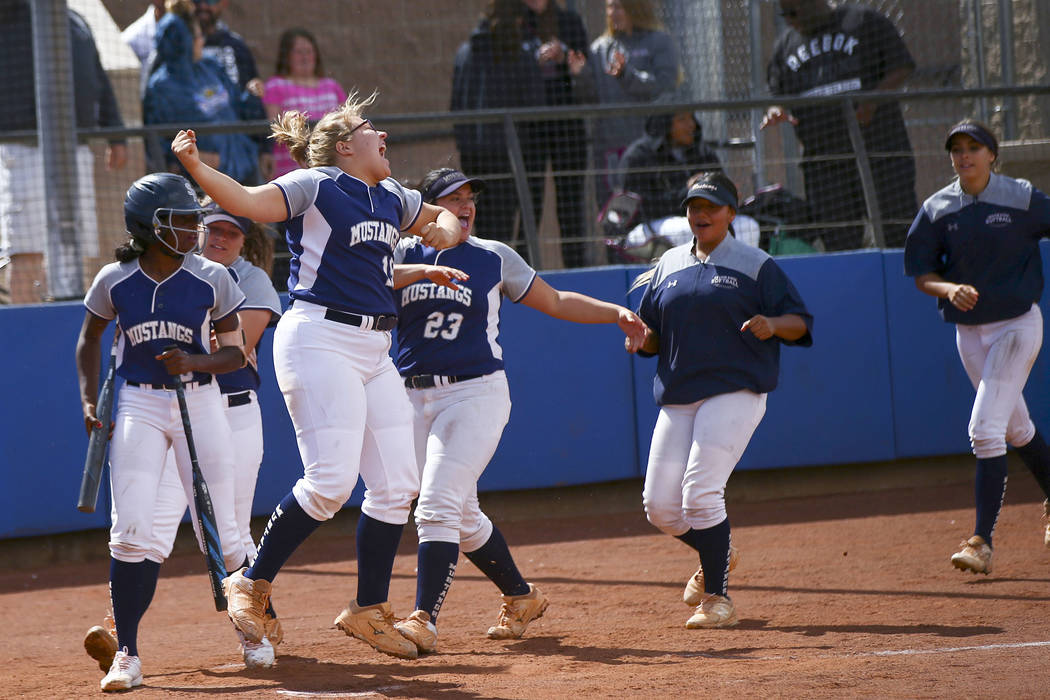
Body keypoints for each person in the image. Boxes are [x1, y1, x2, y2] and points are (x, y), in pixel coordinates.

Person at [170, 90, 464, 661]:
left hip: (375, 347)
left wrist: (444, 230)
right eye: (370, 129)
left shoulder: (392, 196)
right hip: (318, 338)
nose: (382, 136)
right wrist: (196, 166)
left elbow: (444, 217)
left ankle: (368, 610)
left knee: (398, 483)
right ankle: (250, 583)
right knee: (330, 482)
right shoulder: (319, 183)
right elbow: (252, 203)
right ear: (347, 146)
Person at [386, 167, 646, 653]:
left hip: (475, 394)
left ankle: (424, 619)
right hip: (410, 397)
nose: (464, 206)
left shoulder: (491, 255)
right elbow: (364, 282)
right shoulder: (402, 254)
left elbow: (555, 299)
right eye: (451, 199)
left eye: (469, 197)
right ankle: (520, 596)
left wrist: (615, 312)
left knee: (436, 506)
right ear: (426, 210)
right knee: (461, 513)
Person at [83, 204, 284, 673]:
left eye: (212, 226)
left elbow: (236, 352)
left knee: (222, 529)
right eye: (187, 222)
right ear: (149, 226)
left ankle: (253, 630)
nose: (200, 232)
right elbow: (89, 336)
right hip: (141, 403)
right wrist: (89, 402)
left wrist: (194, 361)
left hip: (208, 404)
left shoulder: (222, 277)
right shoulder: (116, 277)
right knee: (133, 531)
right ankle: (126, 652)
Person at [633, 171, 813, 628]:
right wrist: (640, 339)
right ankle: (720, 551)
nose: (701, 214)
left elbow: (800, 321)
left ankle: (717, 599)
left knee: (700, 494)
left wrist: (773, 325)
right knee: (661, 507)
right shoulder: (668, 264)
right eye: (694, 206)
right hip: (679, 394)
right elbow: (653, 334)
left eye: (711, 206)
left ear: (732, 213)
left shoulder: (755, 264)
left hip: (735, 389)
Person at [904, 119, 1050, 575]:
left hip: (1017, 325)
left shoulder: (1022, 197)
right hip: (970, 333)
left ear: (992, 154)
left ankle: (981, 541)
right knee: (1015, 430)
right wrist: (948, 289)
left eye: (974, 147)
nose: (964, 155)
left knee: (984, 429)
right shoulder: (937, 208)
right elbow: (922, 275)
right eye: (957, 149)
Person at [763, 0, 917, 251]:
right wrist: (775, 111)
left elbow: (901, 65)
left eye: (793, 10)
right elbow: (775, 94)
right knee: (839, 240)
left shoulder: (863, 21)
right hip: (824, 162)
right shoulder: (785, 45)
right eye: (784, 14)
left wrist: (873, 100)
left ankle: (903, 287)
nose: (789, 19)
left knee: (896, 230)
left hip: (880, 152)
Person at [0, 1, 127, 303]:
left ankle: (72, 327)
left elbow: (98, 76)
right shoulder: (10, 12)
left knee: (77, 248)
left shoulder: (75, 21)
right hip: (23, 146)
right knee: (25, 250)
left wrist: (116, 132)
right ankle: (25, 331)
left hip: (75, 149)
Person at [451, 0, 546, 257]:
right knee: (508, 226)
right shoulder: (519, 55)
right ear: (516, 20)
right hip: (510, 154)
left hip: (475, 152)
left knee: (484, 224)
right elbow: (535, 103)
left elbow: (456, 102)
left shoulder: (465, 53)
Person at [568, 0, 679, 205]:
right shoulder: (600, 48)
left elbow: (664, 86)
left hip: (647, 144)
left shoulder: (659, 41)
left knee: (650, 203)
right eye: (610, 7)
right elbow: (591, 99)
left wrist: (627, 75)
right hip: (610, 146)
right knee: (614, 208)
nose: (613, 13)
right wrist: (581, 75)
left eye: (619, 7)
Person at [144, 3, 262, 185]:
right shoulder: (162, 87)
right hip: (204, 182)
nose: (202, 41)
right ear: (183, 41)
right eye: (197, 36)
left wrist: (251, 96)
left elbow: (237, 106)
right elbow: (157, 141)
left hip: (244, 170)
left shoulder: (210, 66)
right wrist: (184, 159)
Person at [518, 0, 590, 268]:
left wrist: (564, 54)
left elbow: (585, 63)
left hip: (566, 123)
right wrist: (531, 60)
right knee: (529, 199)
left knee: (570, 201)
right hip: (529, 125)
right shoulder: (514, 21)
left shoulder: (568, 21)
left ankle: (577, 267)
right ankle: (520, 269)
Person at [263, 27, 347, 179]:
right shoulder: (275, 86)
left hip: (333, 167)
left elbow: (348, 124)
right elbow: (273, 128)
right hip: (291, 170)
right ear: (286, 56)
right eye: (299, 52)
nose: (305, 57)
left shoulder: (332, 86)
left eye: (309, 51)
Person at [618, 109, 722, 224]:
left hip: (699, 218)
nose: (691, 124)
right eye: (682, 119)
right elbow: (639, 207)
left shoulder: (702, 152)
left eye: (691, 118)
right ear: (665, 125)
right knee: (687, 228)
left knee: (741, 222)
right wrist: (689, 191)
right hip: (651, 224)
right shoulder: (639, 156)